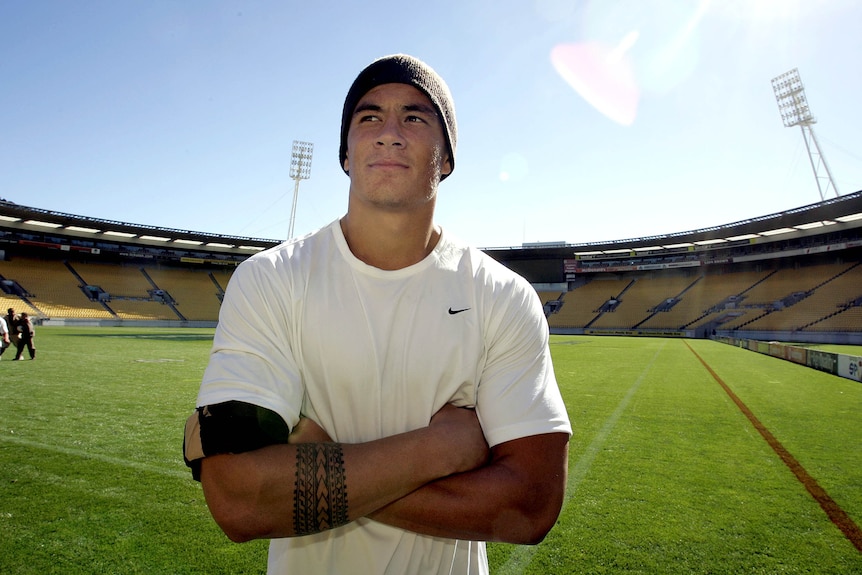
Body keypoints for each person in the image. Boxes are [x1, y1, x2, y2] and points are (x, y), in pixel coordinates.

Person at [183, 54, 572, 575]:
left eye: (414, 117)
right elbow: (238, 501)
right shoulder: (270, 279)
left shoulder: (502, 295)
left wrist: (320, 464)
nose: (389, 133)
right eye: (369, 118)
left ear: (447, 156)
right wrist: (437, 451)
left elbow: (529, 508)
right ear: (345, 153)